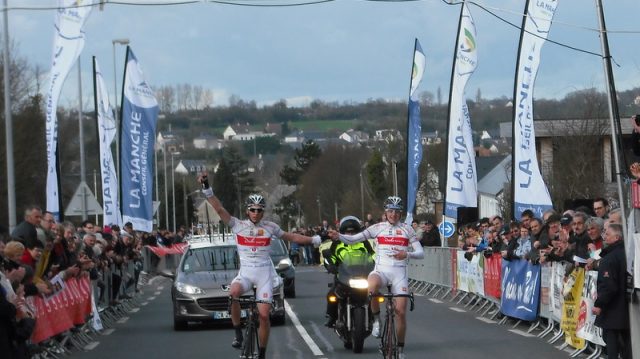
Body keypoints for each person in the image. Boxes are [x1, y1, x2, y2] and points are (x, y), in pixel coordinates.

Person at [198, 173, 321, 359]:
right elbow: (219, 208)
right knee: (233, 293)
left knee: (263, 316)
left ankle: (262, 353)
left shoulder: (270, 227)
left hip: (264, 275)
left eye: (259, 210)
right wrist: (207, 186)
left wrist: (313, 239)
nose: (256, 213)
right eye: (253, 209)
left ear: (263, 212)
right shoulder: (237, 225)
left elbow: (292, 237)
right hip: (246, 273)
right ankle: (238, 333)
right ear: (247, 211)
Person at [328, 196, 423, 359]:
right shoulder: (377, 227)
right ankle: (377, 320)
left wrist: (406, 253)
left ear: (400, 214)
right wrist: (339, 236)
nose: (393, 214)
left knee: (400, 312)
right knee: (370, 286)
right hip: (381, 271)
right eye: (390, 211)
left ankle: (400, 350)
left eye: (396, 212)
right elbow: (353, 239)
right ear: (385, 212)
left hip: (399, 274)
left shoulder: (408, 229)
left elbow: (420, 253)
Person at [322, 216, 375, 328]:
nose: (350, 235)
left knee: (374, 294)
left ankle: (374, 317)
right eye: (347, 232)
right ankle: (332, 316)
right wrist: (330, 265)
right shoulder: (337, 243)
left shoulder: (363, 243)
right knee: (331, 295)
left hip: (362, 275)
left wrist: (377, 264)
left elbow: (372, 255)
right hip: (343, 275)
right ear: (342, 232)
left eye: (353, 232)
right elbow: (330, 257)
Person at [592, 223, 631, 359]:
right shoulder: (628, 253)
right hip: (626, 309)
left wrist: (599, 304)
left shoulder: (609, 259)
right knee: (626, 345)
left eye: (607, 234)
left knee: (612, 344)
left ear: (617, 238)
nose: (604, 237)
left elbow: (609, 286)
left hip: (613, 309)